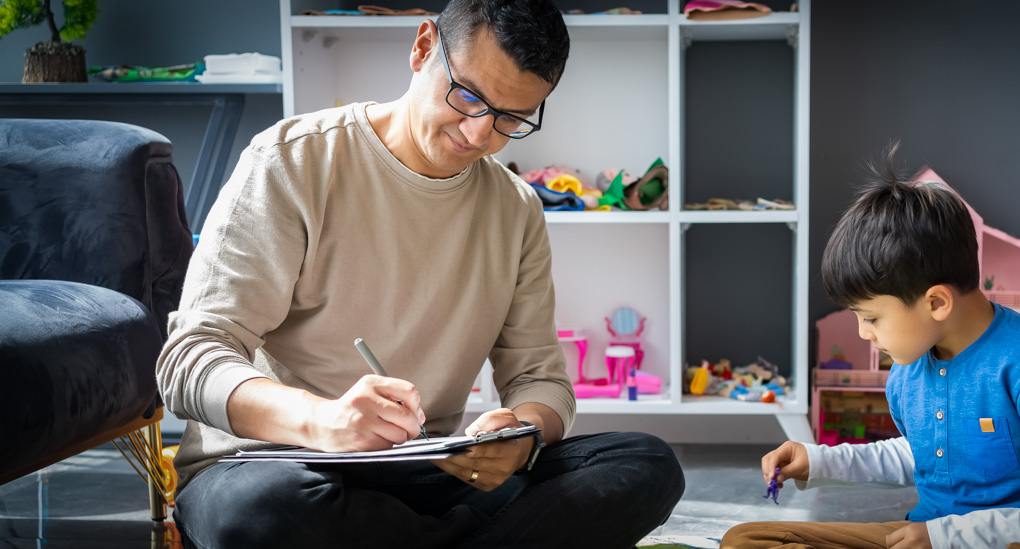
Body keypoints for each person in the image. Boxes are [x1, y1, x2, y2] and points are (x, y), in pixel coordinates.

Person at [156, 1, 684, 547]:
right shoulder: (290, 162)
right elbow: (189, 359)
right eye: (470, 97)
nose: (480, 134)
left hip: (426, 470)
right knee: (259, 511)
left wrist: (523, 432)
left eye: (510, 118)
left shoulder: (516, 209)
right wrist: (324, 421)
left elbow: (540, 378)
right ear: (423, 47)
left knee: (643, 462)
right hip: (280, 464)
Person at [721, 144, 1020, 549]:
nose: (864, 334)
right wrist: (821, 460)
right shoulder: (910, 368)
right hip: (928, 536)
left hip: (999, 542)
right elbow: (929, 452)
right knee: (748, 539)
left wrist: (946, 538)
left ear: (936, 303)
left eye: (872, 317)